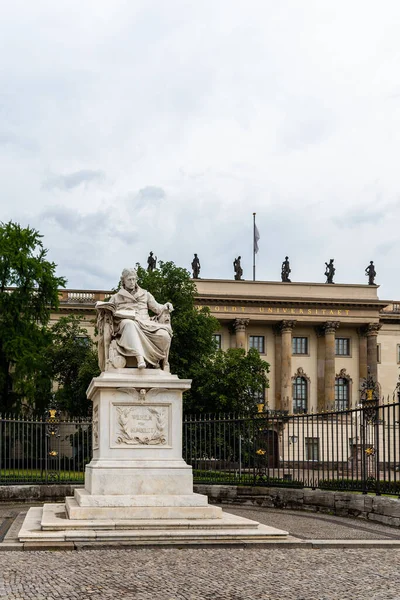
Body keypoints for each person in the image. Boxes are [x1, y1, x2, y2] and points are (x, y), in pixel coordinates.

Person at [96, 268, 173, 371]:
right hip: (123, 323)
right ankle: (139, 357)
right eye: (129, 280)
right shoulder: (116, 297)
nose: (132, 282)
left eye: (134, 279)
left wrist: (166, 306)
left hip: (145, 323)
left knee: (164, 335)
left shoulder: (145, 294)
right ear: (123, 281)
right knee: (129, 324)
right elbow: (109, 311)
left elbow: (158, 308)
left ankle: (157, 363)